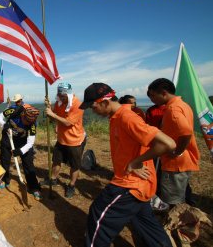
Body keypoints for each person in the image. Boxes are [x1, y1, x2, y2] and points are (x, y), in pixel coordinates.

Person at [80, 82, 175, 247]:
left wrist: (136, 162)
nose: (92, 111)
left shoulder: (127, 118)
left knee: (99, 216)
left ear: (104, 102)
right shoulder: (117, 116)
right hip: (138, 183)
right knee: (145, 224)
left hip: (129, 184)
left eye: (93, 107)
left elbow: (168, 143)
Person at [145, 78, 200, 207]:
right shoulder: (183, 105)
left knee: (173, 200)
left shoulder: (173, 110)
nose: (152, 99)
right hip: (181, 161)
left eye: (153, 95)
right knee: (179, 194)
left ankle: (177, 223)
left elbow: (186, 132)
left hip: (176, 163)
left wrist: (177, 151)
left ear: (164, 93)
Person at [43, 82, 86, 198]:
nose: (60, 97)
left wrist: (52, 114)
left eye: (62, 95)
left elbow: (67, 122)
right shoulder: (59, 101)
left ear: (68, 94)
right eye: (59, 94)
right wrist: (49, 107)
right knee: (56, 160)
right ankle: (53, 179)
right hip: (61, 139)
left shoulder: (77, 104)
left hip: (75, 140)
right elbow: (55, 114)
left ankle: (71, 185)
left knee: (74, 165)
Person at [0, 103, 42, 200]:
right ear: (22, 115)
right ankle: (4, 180)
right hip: (8, 137)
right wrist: (4, 125)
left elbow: (30, 142)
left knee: (29, 163)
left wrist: (21, 151)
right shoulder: (14, 111)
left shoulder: (32, 124)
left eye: (30, 123)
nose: (27, 124)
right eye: (26, 121)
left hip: (22, 141)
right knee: (5, 160)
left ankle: (34, 187)